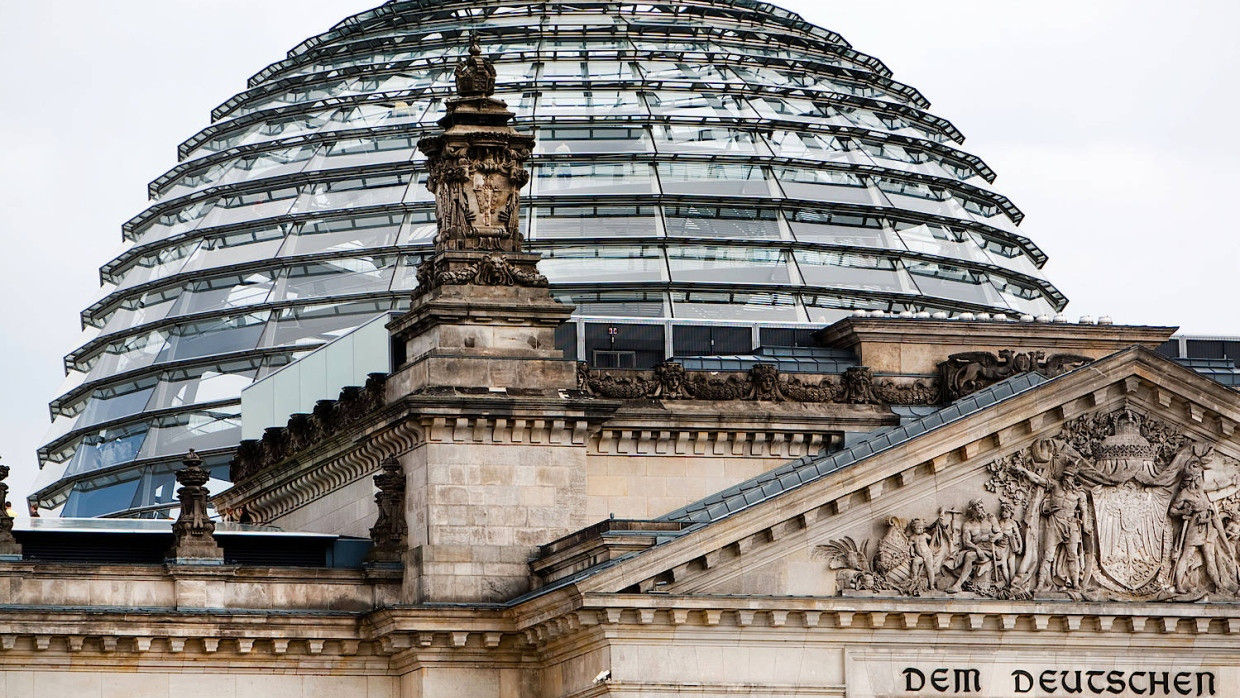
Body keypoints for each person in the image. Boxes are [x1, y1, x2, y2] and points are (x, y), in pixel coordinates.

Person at [1011, 464, 1089, 590]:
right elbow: (1037, 479)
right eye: (1065, 476)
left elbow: (1084, 511)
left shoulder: (1080, 494)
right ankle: (1040, 584)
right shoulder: (1055, 486)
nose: (1065, 479)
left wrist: (1085, 526)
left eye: (1069, 477)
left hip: (1071, 525)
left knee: (1073, 555)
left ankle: (1075, 583)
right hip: (1054, 523)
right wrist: (1024, 470)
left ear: (1073, 478)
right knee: (1048, 555)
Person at [947, 500, 1000, 593]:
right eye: (978, 508)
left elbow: (1000, 533)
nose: (982, 510)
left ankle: (958, 585)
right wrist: (977, 549)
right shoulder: (967, 524)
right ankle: (961, 584)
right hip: (976, 549)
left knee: (969, 556)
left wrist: (995, 538)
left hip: (990, 549)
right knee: (962, 558)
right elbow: (966, 541)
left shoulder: (990, 520)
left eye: (982, 507)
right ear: (972, 510)